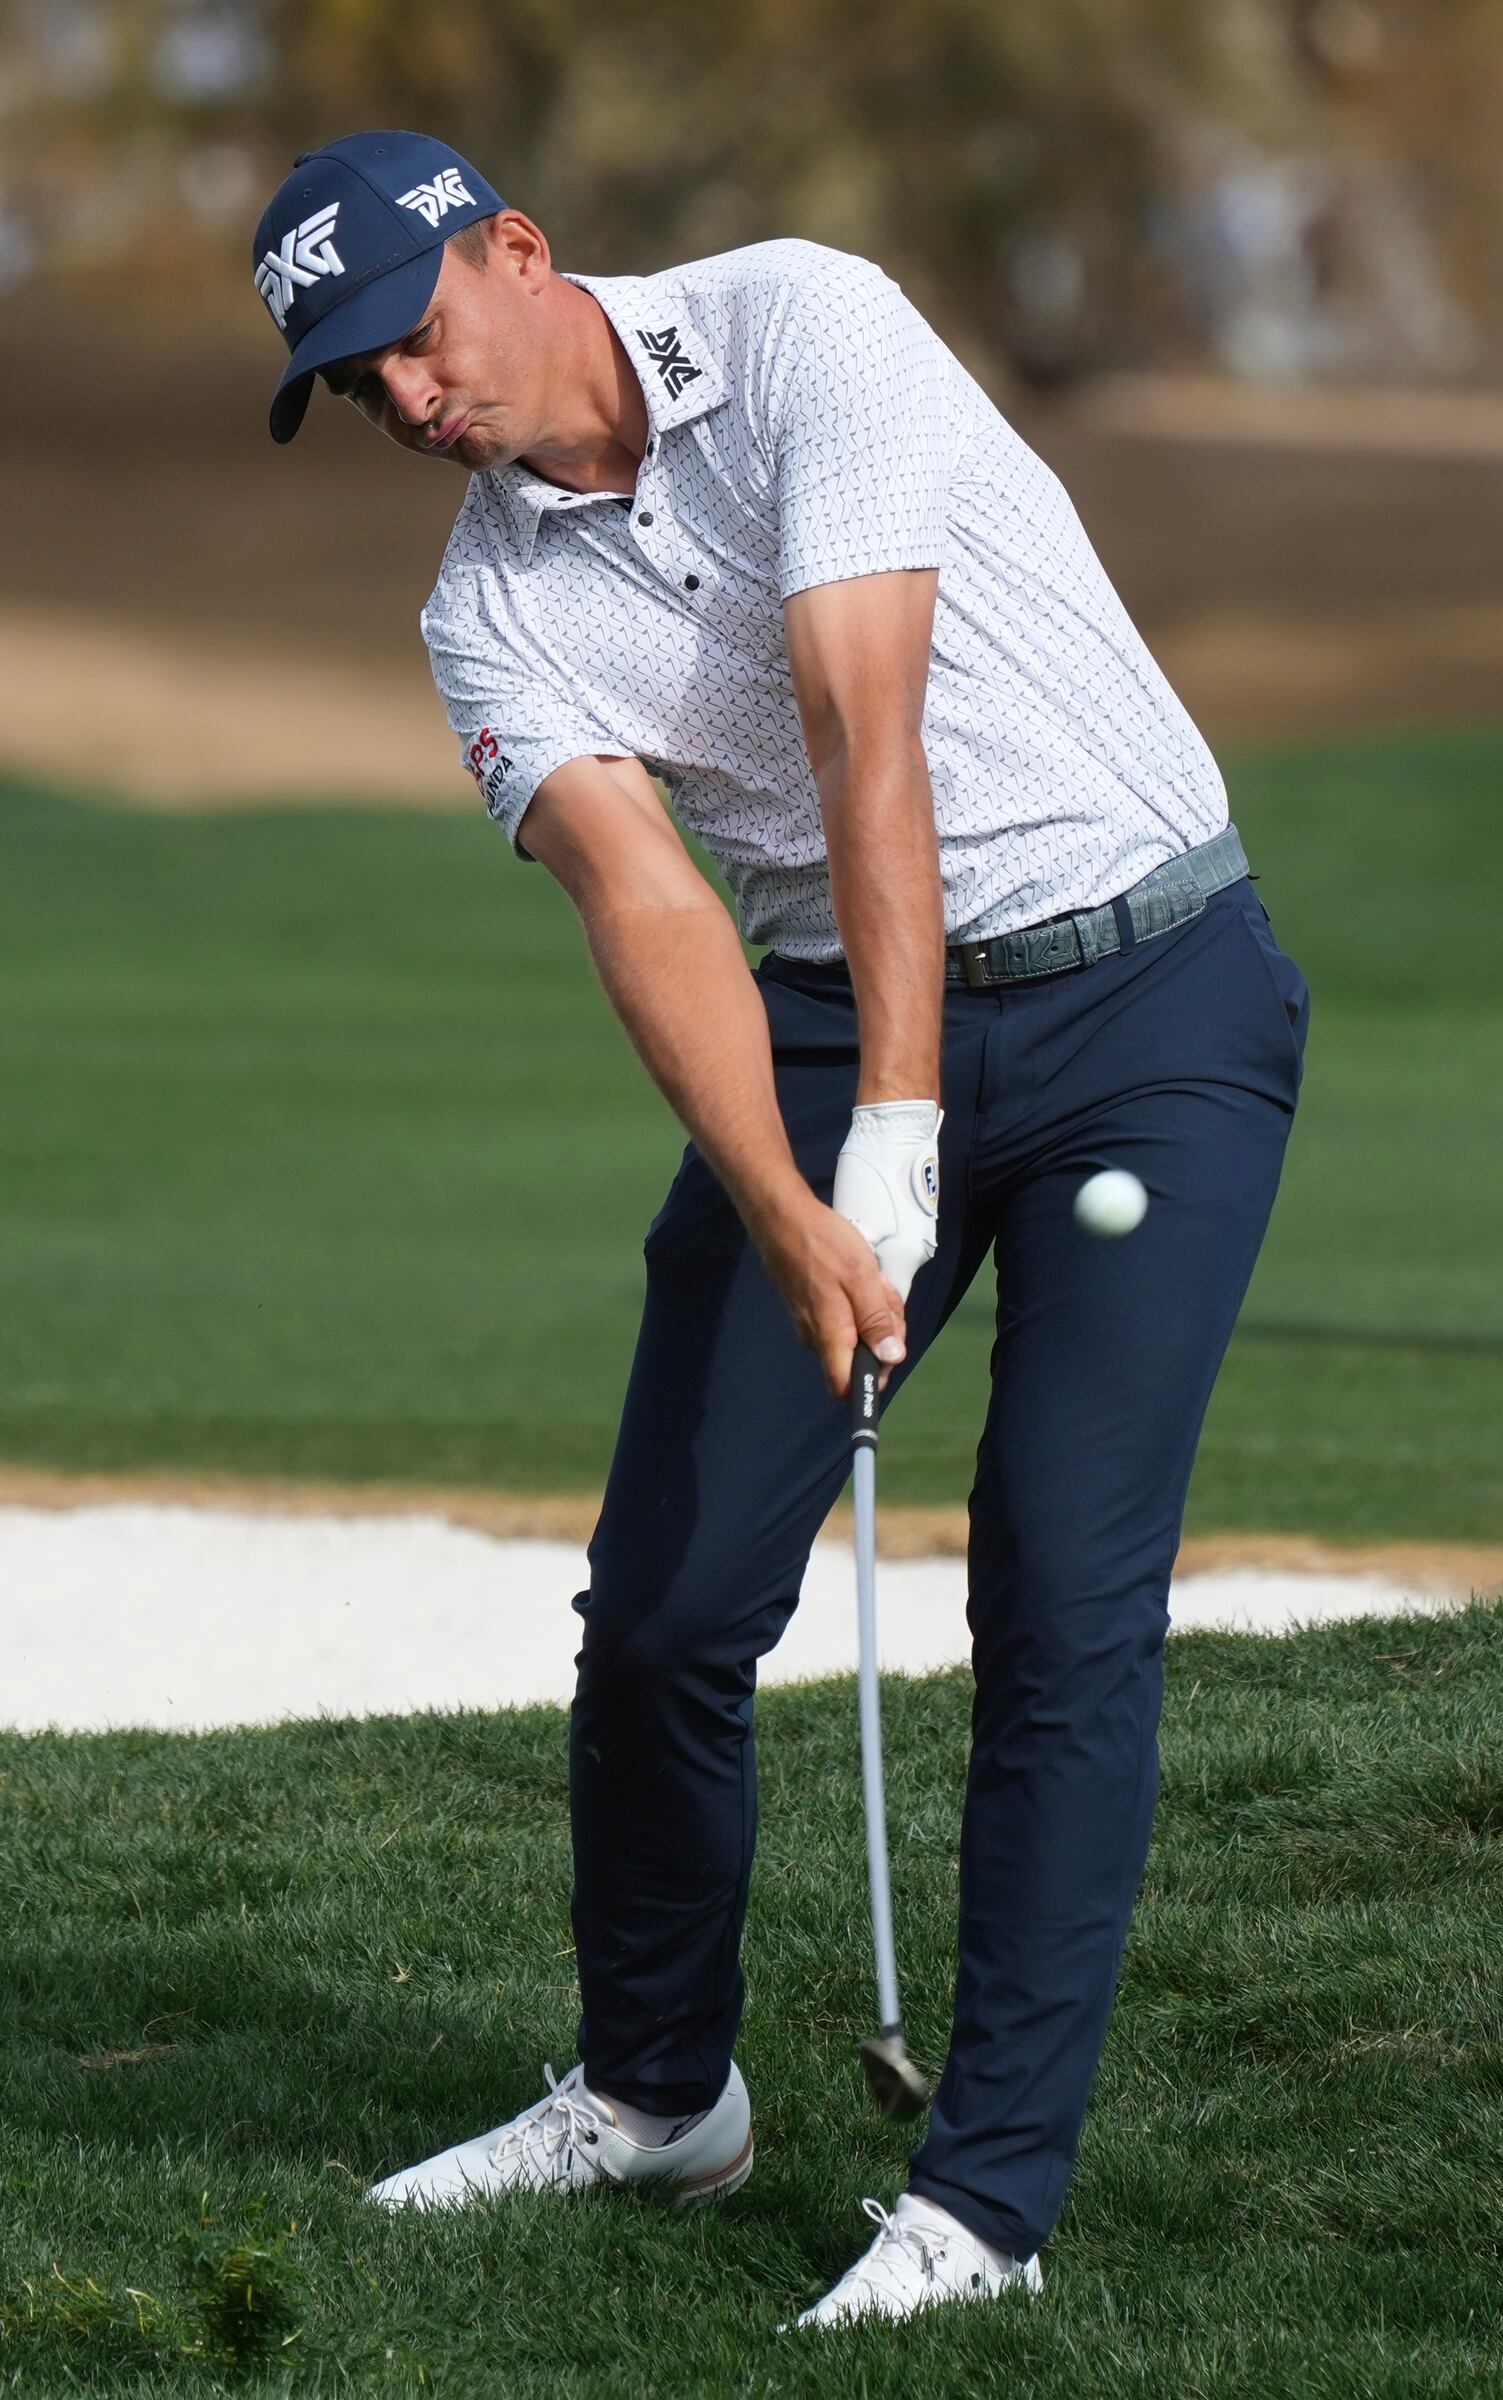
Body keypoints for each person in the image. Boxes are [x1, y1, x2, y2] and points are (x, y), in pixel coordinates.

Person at [252, 129, 1310, 2328]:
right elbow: (649, 907)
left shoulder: (804, 322)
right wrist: (791, 1198)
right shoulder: (486, 609)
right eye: (356, 386)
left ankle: (980, 2206)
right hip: (820, 1023)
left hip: (1150, 1001)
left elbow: (862, 729)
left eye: (411, 338)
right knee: (658, 1612)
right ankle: (656, 2098)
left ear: (518, 253)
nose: (407, 402)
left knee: (1055, 1599)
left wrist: (901, 1145)